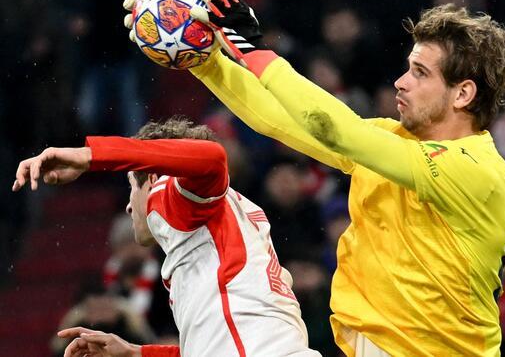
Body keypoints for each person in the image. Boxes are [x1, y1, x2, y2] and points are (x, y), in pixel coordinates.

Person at [125, 0, 505, 356]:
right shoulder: (391, 140)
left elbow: (331, 128)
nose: (400, 82)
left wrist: (249, 45)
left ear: (463, 94)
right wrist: (201, 59)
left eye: (420, 73)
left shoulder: (476, 170)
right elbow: (277, 119)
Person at [12, 117, 319, 357]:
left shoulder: (172, 193)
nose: (130, 205)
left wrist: (90, 156)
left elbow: (212, 157)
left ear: (155, 176)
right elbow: (222, 343)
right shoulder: (230, 219)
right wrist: (137, 352)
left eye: (133, 184)